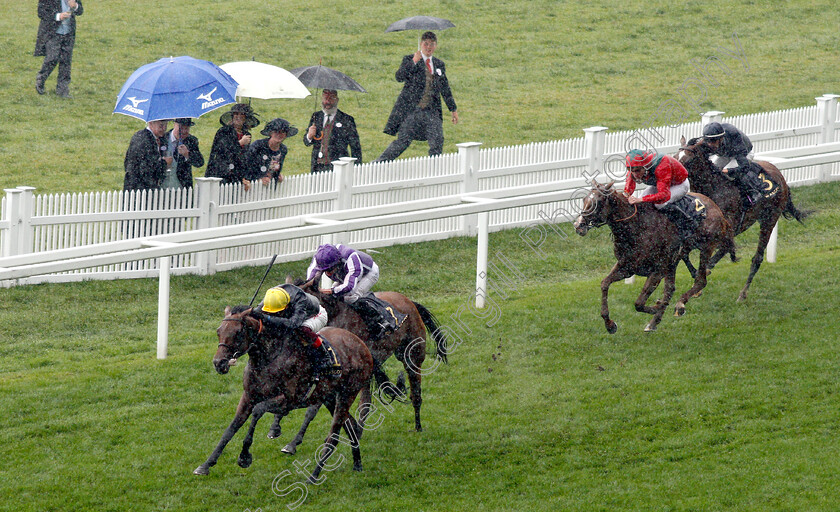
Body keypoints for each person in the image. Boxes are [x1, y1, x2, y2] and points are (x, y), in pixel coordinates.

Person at [377, 31, 458, 162]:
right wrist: (414, 61)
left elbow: (445, 88)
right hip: (412, 110)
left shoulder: (439, 64)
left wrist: (453, 109)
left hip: (431, 112)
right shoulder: (410, 59)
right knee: (402, 142)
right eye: (426, 44)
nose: (429, 47)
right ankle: (378, 163)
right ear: (421, 44)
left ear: (436, 46)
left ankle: (435, 169)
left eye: (432, 44)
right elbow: (399, 77)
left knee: (437, 140)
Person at [306, 243, 398, 339]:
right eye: (325, 270)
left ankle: (380, 321)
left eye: (330, 268)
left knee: (350, 297)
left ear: (337, 261)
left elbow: (349, 287)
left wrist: (331, 290)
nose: (328, 272)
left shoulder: (351, 257)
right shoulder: (321, 258)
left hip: (368, 274)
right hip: (344, 275)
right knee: (334, 298)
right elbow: (309, 279)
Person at [250, 284, 340, 380]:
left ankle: (325, 356)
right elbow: (256, 313)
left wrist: (268, 317)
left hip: (315, 314)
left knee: (303, 329)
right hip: (295, 315)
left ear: (286, 305)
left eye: (277, 312)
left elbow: (293, 324)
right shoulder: (271, 297)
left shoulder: (300, 300)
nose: (274, 315)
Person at [623, 149, 695, 240]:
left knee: (659, 204)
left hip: (679, 184)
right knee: (640, 201)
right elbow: (629, 185)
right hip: (660, 183)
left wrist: (642, 199)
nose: (634, 174)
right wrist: (626, 194)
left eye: (637, 171)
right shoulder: (636, 166)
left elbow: (663, 195)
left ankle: (686, 224)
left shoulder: (661, 166)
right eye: (630, 170)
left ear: (645, 166)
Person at [701, 122, 763, 205]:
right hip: (725, 154)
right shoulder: (708, 140)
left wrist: (727, 171)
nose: (710, 144)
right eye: (708, 141)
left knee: (729, 175)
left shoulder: (733, 136)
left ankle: (752, 193)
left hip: (743, 153)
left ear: (721, 138)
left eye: (713, 141)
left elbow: (744, 167)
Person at [303, 89, 362, 173]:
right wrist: (309, 135)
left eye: (331, 98)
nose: (327, 102)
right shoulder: (316, 116)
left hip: (339, 166)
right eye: (325, 98)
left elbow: (355, 147)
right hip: (318, 167)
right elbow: (306, 142)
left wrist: (357, 168)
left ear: (337, 100)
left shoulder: (346, 119)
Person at [34, 0, 83, 98]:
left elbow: (80, 11)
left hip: (68, 33)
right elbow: (41, 12)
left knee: (66, 61)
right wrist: (58, 16)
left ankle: (63, 90)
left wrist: (75, 6)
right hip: (52, 32)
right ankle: (41, 80)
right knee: (52, 58)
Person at [206, 103, 260, 190]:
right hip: (220, 173)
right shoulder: (224, 131)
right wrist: (240, 143)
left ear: (246, 118)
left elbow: (243, 157)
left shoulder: (246, 134)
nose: (238, 116)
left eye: (242, 114)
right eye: (236, 114)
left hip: (236, 175)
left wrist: (244, 177)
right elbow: (222, 151)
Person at [247, 118, 298, 186]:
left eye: (282, 132)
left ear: (286, 135)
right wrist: (258, 179)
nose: (279, 134)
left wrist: (278, 176)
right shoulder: (258, 146)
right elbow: (247, 166)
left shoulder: (283, 149)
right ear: (270, 133)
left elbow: (276, 168)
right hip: (253, 186)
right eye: (276, 131)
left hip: (271, 186)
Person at [124, 119, 170, 192]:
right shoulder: (144, 140)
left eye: (166, 125)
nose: (164, 129)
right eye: (161, 125)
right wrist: (165, 163)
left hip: (138, 186)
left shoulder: (156, 138)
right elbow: (147, 169)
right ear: (151, 123)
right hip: (140, 189)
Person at [162, 118, 204, 189]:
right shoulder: (162, 138)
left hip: (182, 187)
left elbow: (199, 163)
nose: (184, 131)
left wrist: (187, 154)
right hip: (163, 187)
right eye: (181, 128)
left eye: (187, 128)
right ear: (174, 125)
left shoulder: (191, 141)